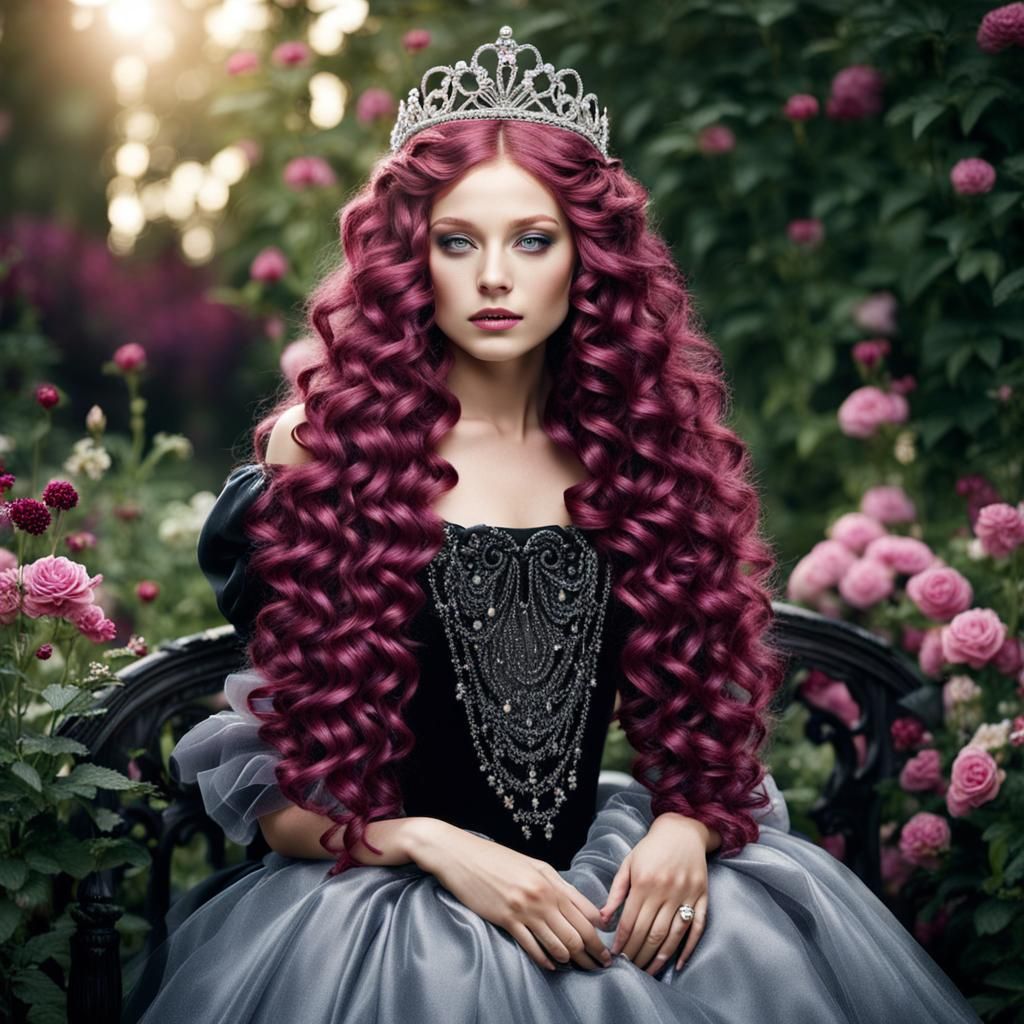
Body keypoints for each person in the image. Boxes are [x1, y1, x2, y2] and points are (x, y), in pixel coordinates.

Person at [121, 25, 982, 1024]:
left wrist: (688, 826)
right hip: (384, 918)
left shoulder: (642, 455)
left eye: (532, 240)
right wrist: (432, 841)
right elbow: (278, 782)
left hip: (610, 884)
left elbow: (702, 720)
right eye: (458, 241)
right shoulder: (326, 453)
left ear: (587, 260)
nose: (494, 277)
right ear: (411, 260)